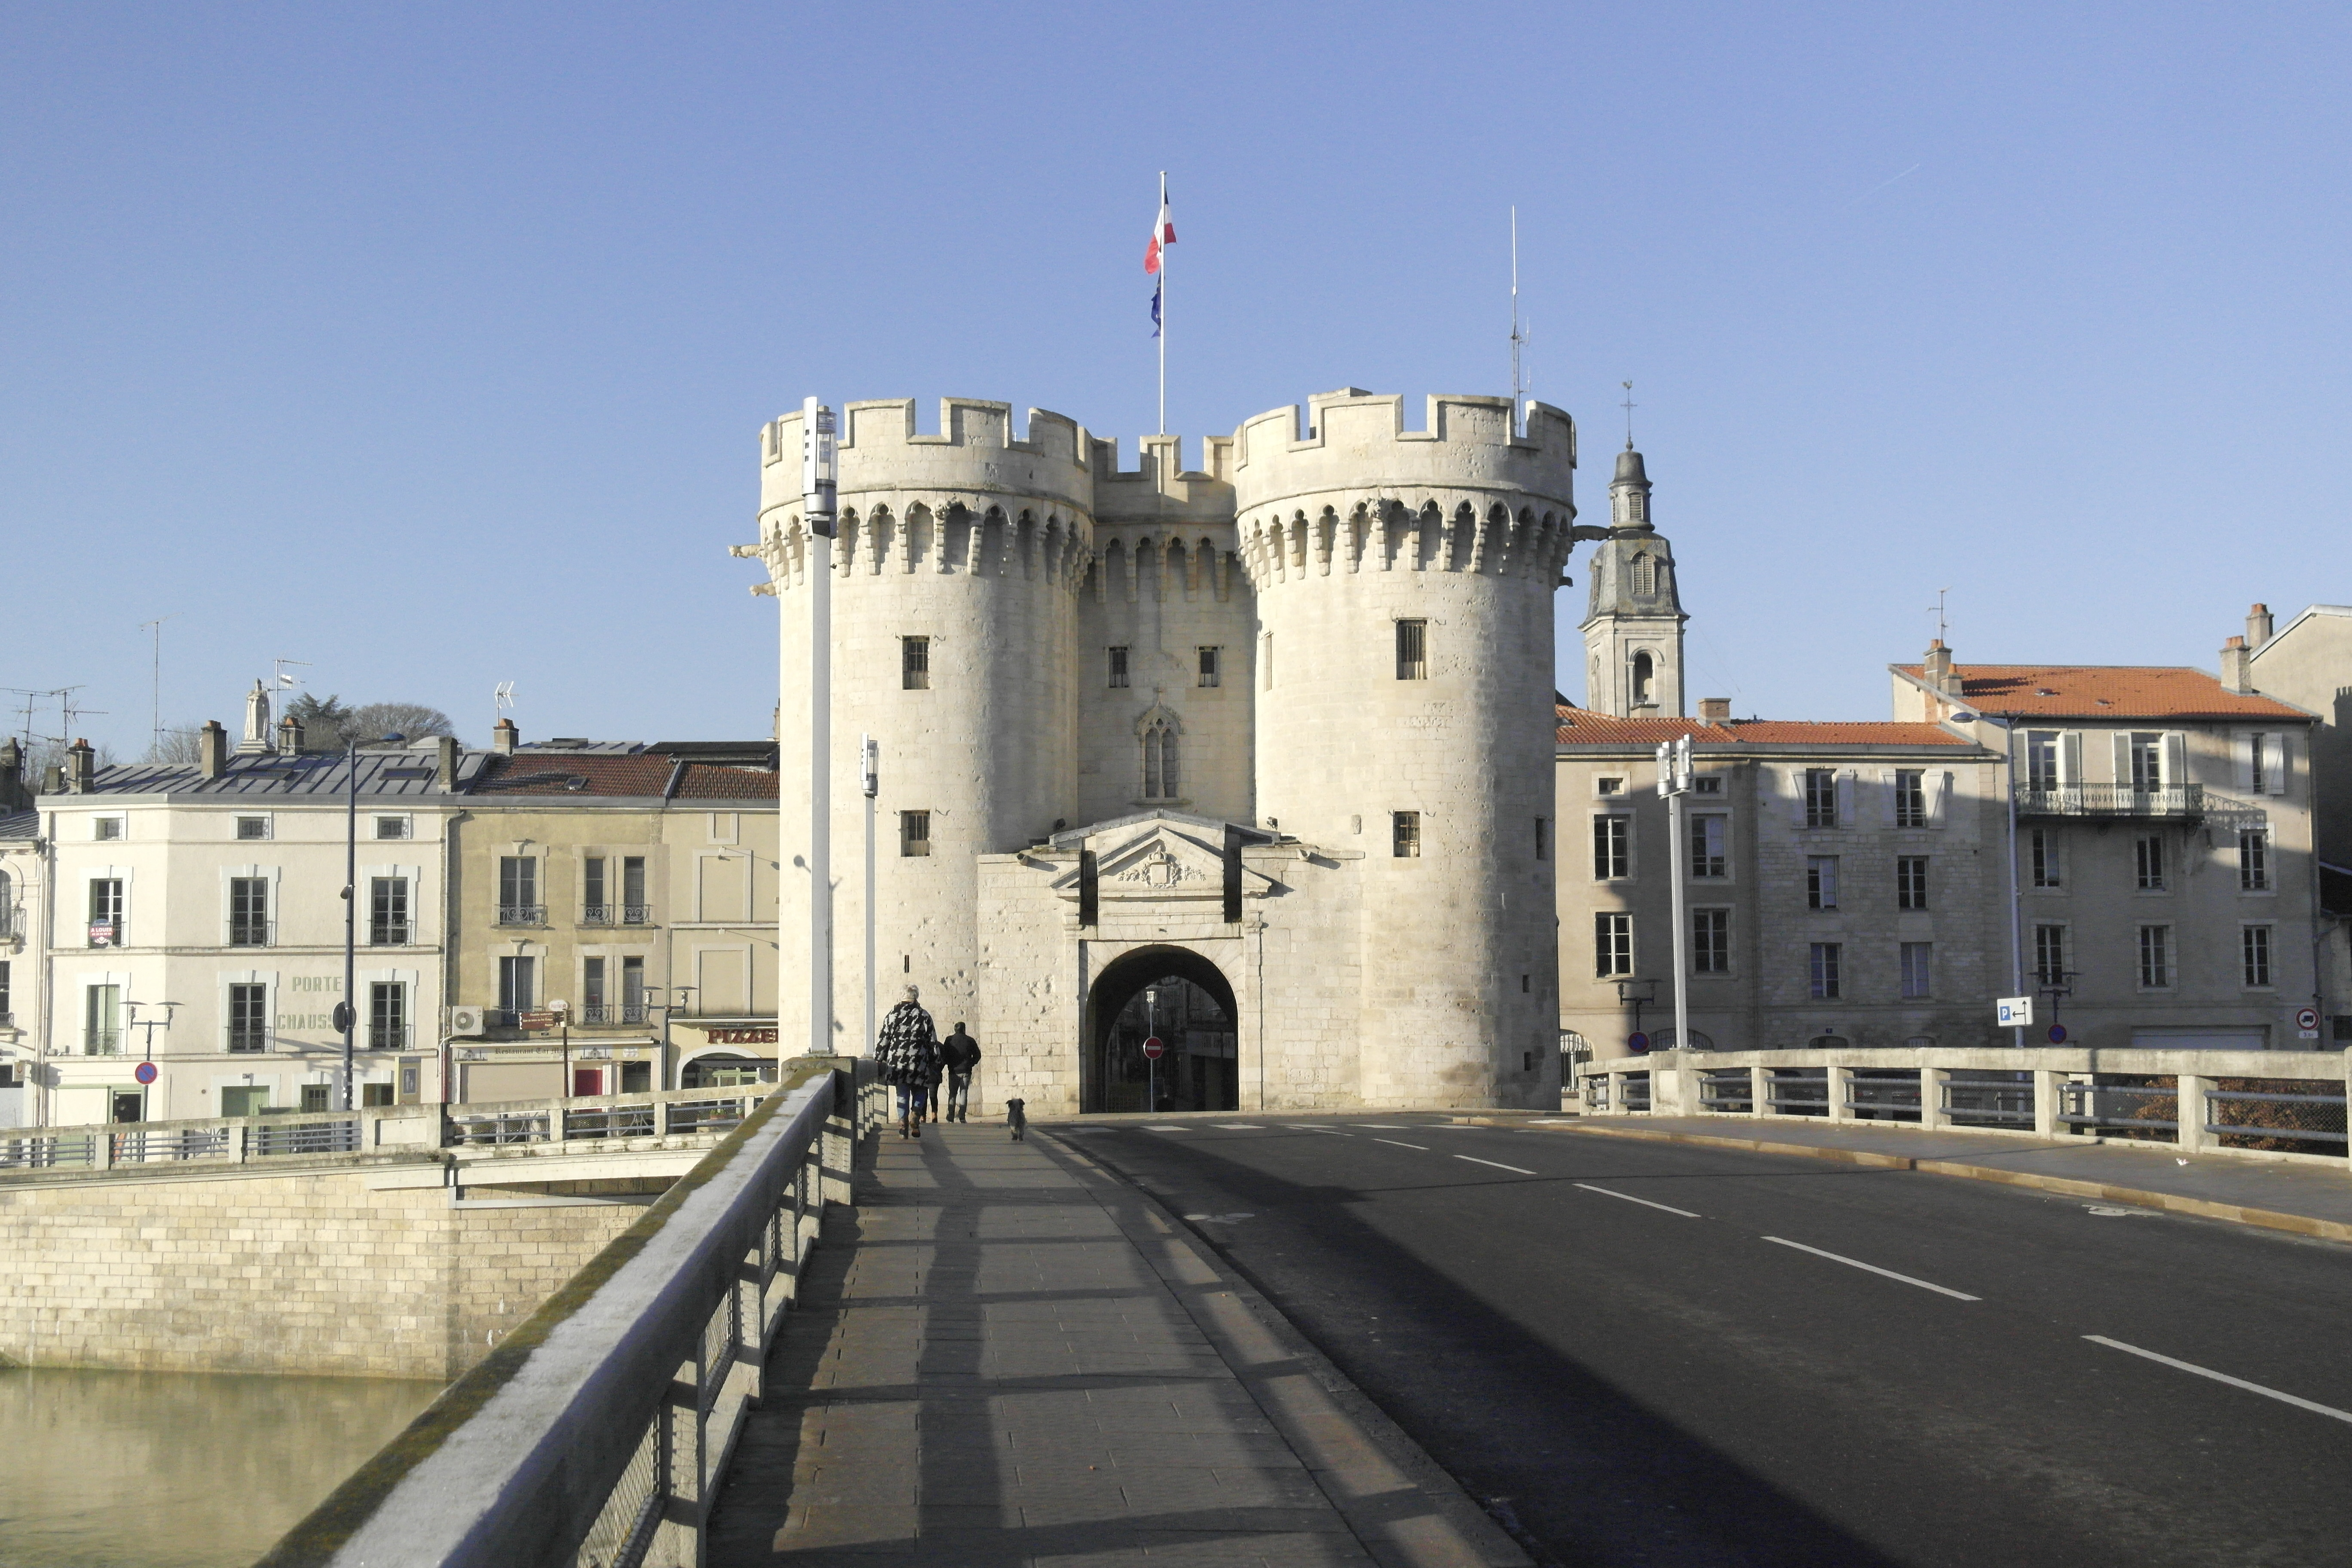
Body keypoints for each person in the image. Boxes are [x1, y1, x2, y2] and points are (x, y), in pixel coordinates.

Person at [873, 984, 940, 1139]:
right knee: (920, 1090)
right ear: (916, 997)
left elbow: (884, 1039)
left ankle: (903, 1124)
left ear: (902, 996)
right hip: (919, 1060)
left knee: (902, 1093)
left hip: (898, 1062)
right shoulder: (924, 1015)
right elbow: (932, 1040)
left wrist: (879, 1057)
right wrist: (935, 1059)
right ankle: (915, 1114)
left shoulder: (893, 1015)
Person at [940, 1022, 981, 1122]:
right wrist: (971, 1064)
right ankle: (962, 1116)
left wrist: (949, 1063)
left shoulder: (949, 1040)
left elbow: (944, 1055)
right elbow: (978, 1055)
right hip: (966, 1071)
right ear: (964, 1029)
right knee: (964, 1093)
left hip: (953, 1071)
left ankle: (951, 1116)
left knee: (953, 1093)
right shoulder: (970, 1040)